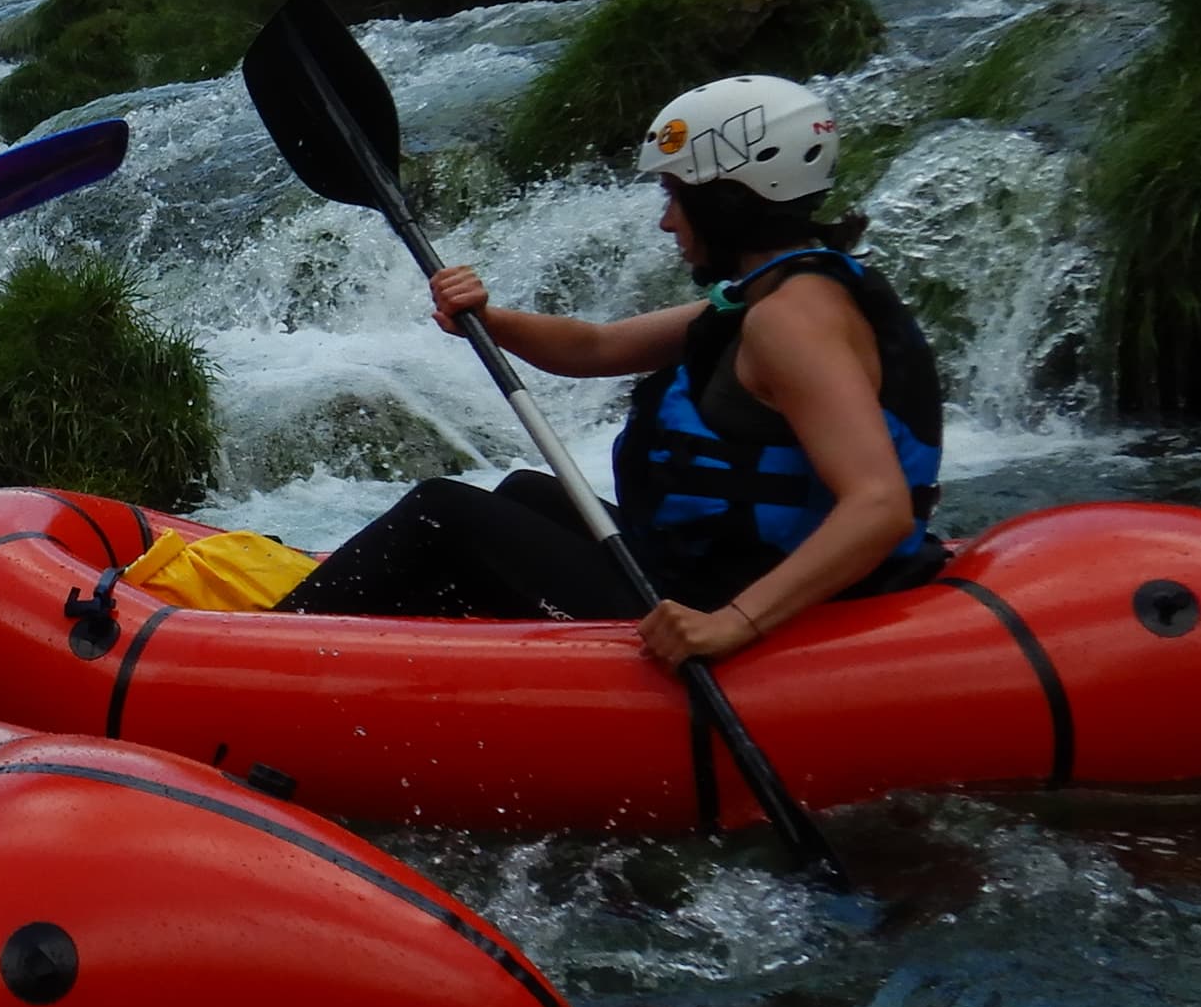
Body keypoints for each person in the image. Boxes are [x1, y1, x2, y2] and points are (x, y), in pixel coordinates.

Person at [287, 73, 945, 666]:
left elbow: (880, 505)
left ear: (729, 200)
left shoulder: (791, 321)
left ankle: (276, 651)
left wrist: (733, 624)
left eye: (675, 195)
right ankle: (391, 661)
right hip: (715, 568)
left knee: (442, 512)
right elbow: (597, 349)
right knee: (526, 494)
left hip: (735, 595)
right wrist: (488, 317)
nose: (665, 221)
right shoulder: (773, 293)